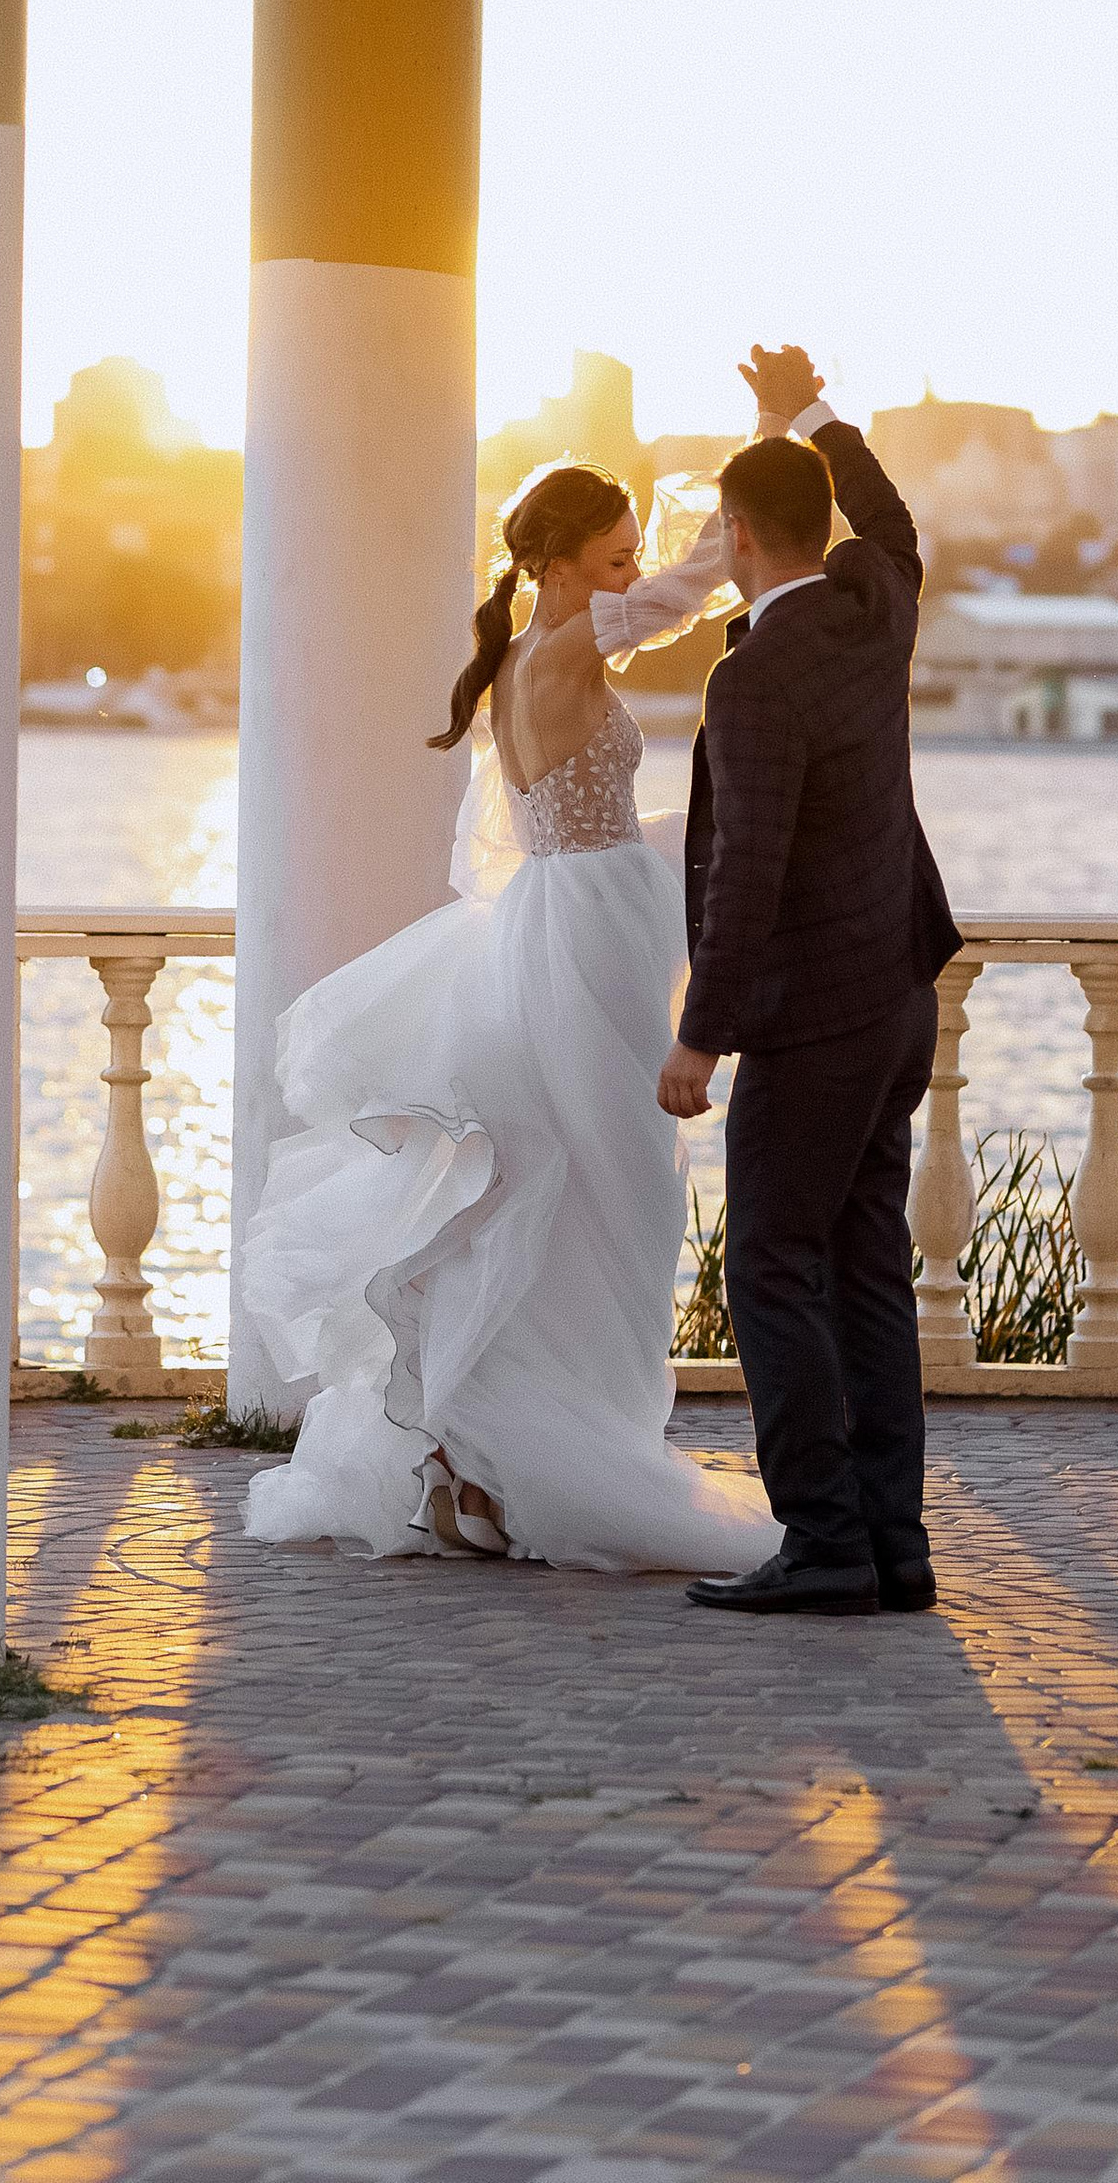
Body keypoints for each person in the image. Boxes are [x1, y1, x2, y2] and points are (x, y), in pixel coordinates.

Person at [238, 452, 778, 1570]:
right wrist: (749, 504)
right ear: (554, 565)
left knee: (573, 1187)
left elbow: (645, 655)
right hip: (588, 934)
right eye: (613, 557)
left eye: (633, 554)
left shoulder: (522, 657)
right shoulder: (565, 646)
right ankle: (512, 1453)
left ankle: (467, 1465)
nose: (631, 572)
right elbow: (682, 599)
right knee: (609, 1187)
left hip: (564, 917)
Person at [661, 344, 963, 1617]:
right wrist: (811, 416)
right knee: (861, 1263)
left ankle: (825, 1541)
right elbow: (892, 523)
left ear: (735, 533)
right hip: (897, 994)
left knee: (770, 1267)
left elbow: (748, 878)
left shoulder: (754, 677)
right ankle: (891, 1544)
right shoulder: (869, 607)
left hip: (816, 1018)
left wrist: (700, 1037)